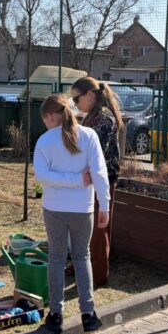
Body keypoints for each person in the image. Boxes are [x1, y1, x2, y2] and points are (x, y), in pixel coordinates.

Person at [34, 93, 111, 334]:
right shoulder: (89, 136)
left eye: (45, 120)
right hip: (83, 209)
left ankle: (56, 314)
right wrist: (104, 204)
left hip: (54, 208)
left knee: (56, 258)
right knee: (82, 257)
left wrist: (73, 181)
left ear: (49, 116)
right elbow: (99, 173)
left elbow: (43, 176)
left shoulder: (45, 141)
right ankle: (88, 314)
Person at [70, 77, 123, 287]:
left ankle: (99, 276)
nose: (75, 104)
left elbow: (95, 151)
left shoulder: (104, 119)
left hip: (102, 180)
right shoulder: (92, 116)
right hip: (90, 178)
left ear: (90, 95)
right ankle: (81, 264)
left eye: (77, 98)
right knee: (85, 226)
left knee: (99, 230)